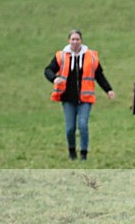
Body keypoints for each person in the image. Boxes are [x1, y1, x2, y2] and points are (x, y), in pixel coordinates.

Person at [45, 29, 116, 160]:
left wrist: (108, 90)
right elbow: (48, 70)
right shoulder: (61, 56)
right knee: (70, 128)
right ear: (69, 41)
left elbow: (99, 75)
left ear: (81, 41)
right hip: (67, 98)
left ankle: (84, 154)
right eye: (73, 39)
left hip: (85, 98)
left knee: (83, 125)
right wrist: (54, 78)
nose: (75, 42)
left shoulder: (91, 56)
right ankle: (72, 151)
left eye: (77, 39)